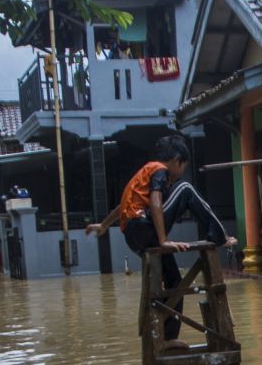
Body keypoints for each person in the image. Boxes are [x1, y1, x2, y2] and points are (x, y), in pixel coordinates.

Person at [85, 135, 236, 350]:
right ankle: (219, 235)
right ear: (176, 160)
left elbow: (122, 206)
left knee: (174, 280)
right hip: (144, 227)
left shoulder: (143, 176)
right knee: (186, 189)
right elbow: (156, 200)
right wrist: (163, 240)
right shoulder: (158, 169)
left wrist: (104, 225)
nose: (181, 171)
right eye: (183, 166)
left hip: (134, 235)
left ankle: (166, 337)